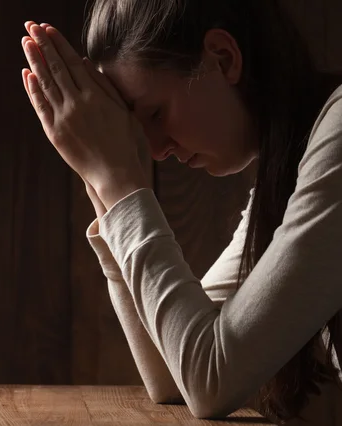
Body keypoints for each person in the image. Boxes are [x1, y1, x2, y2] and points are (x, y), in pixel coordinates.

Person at [20, 0, 342, 424]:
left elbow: (210, 380)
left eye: (156, 113)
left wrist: (119, 183)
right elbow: (175, 373)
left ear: (222, 59)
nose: (156, 150)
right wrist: (99, 178)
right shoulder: (290, 171)